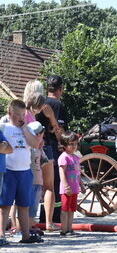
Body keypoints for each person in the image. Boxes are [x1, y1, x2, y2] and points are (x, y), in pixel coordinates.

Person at [0, 100, 42, 244]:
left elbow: (35, 144)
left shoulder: (28, 129)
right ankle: (1, 236)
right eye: (17, 114)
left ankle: (26, 236)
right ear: (9, 113)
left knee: (24, 205)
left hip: (24, 171)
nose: (20, 118)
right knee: (5, 205)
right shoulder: (4, 127)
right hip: (8, 171)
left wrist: (24, 129)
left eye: (23, 115)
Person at [36, 75, 69, 231]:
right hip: (52, 149)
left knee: (41, 185)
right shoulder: (56, 105)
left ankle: (42, 218)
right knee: (54, 184)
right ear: (60, 89)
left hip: (37, 148)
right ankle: (53, 217)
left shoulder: (38, 103)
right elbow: (60, 130)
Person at [57, 131, 85, 236]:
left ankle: (70, 229)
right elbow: (62, 172)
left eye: (75, 144)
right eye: (71, 144)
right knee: (65, 209)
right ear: (64, 145)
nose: (74, 146)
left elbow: (78, 173)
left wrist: (81, 184)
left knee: (72, 209)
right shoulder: (64, 157)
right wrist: (66, 186)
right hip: (67, 188)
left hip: (74, 188)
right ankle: (64, 230)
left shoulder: (76, 158)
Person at [27, 121, 47, 237]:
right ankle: (26, 228)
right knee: (28, 207)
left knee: (34, 207)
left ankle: (31, 226)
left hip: (38, 181)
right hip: (30, 181)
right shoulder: (30, 149)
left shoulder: (39, 149)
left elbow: (43, 161)